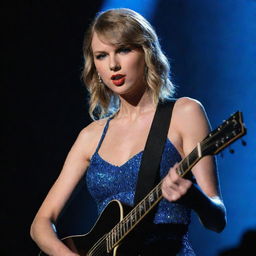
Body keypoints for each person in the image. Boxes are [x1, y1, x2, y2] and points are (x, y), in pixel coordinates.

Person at [30, 8, 227, 256]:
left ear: (146, 53)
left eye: (123, 50)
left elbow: (217, 220)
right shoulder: (91, 136)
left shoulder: (184, 113)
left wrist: (195, 197)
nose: (113, 65)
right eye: (102, 55)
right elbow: (41, 224)